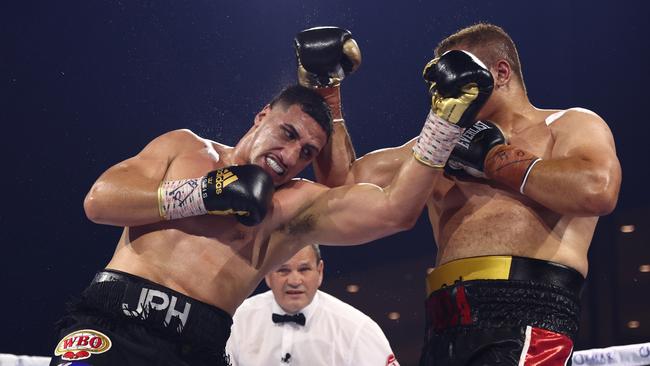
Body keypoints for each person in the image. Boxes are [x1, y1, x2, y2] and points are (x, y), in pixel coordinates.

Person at [48, 26, 493, 366]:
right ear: (261, 115)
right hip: (108, 326)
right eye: (286, 134)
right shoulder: (184, 148)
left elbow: (394, 211)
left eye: (306, 152)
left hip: (193, 348)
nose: (289, 155)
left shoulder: (291, 207)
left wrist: (443, 124)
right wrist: (203, 194)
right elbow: (100, 200)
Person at [321, 23, 622, 365]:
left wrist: (494, 160)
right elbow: (343, 185)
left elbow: (598, 189)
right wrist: (327, 97)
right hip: (443, 324)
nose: (448, 89)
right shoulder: (437, 147)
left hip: (528, 315)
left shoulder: (566, 125)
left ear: (501, 72)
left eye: (461, 73)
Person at [226, 244, 400, 366]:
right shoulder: (237, 320)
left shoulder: (356, 328)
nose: (294, 281)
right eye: (283, 270)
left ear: (320, 272)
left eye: (304, 269)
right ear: (267, 274)